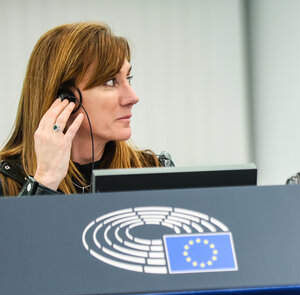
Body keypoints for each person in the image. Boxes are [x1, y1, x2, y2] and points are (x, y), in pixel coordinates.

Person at [0, 22, 172, 197]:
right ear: (63, 97)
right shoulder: (6, 183)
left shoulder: (154, 172)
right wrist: (45, 181)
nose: (133, 98)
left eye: (129, 78)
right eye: (111, 81)